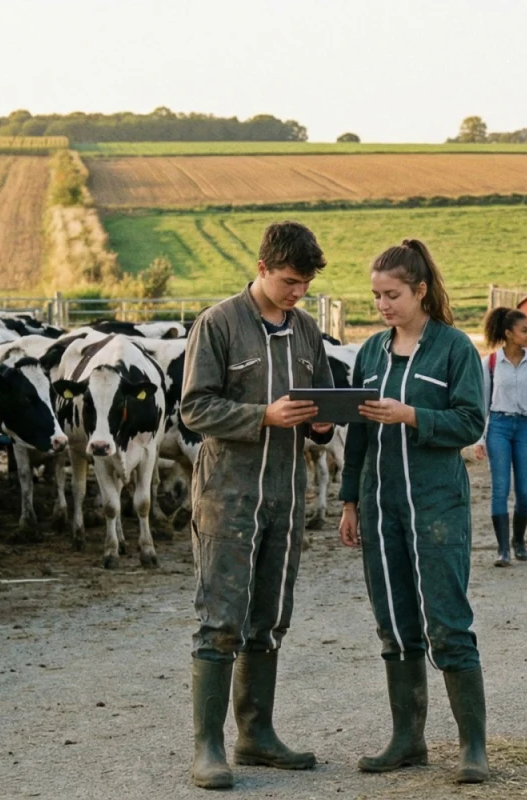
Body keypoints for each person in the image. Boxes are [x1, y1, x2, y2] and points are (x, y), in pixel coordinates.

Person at [179, 220, 338, 789]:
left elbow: (320, 402)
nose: (298, 292)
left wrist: (322, 423)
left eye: (306, 284)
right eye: (291, 281)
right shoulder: (218, 324)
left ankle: (257, 735)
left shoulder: (307, 331)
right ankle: (207, 748)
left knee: (270, 618)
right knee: (221, 619)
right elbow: (194, 409)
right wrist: (260, 416)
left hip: (286, 496)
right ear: (263, 267)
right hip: (228, 494)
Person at [337, 239, 490, 783]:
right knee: (395, 624)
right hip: (380, 507)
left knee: (447, 623)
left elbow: (470, 422)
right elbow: (356, 432)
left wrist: (411, 415)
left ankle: (473, 747)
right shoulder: (371, 352)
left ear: (420, 291)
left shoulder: (454, 350)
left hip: (436, 505)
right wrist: (350, 500)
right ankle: (408, 741)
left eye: (392, 295)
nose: (383, 306)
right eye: (376, 296)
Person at [473, 306, 527, 566]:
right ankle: (502, 549)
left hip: (526, 428)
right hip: (498, 426)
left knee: (525, 492)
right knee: (500, 489)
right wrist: (480, 438)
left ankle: (519, 539)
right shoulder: (491, 363)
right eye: (524, 331)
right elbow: (482, 403)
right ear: (509, 333)